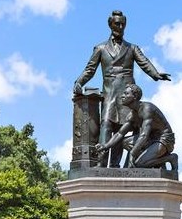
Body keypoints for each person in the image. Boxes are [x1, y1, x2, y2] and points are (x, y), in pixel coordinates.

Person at [73, 10, 170, 147]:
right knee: (106, 124)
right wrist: (79, 82)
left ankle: (116, 165)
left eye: (123, 24)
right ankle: (101, 162)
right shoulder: (100, 48)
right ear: (110, 25)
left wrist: (156, 74)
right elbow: (90, 69)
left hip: (128, 93)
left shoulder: (132, 48)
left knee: (123, 128)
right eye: (117, 24)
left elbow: (144, 62)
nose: (120, 27)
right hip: (110, 93)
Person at [106, 83, 177, 170]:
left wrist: (132, 153)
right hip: (150, 140)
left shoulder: (147, 109)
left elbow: (144, 135)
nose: (122, 96)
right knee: (124, 142)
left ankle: (170, 158)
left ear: (135, 96)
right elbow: (120, 133)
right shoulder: (132, 114)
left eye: (126, 93)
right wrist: (105, 146)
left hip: (164, 140)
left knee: (139, 164)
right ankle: (152, 158)